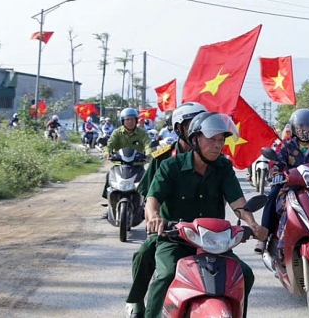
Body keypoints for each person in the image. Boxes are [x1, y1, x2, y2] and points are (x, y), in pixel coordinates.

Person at [142, 112, 268, 318]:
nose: (218, 145)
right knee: (166, 275)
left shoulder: (224, 167)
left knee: (244, 274)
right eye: (211, 139)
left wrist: (253, 224)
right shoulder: (170, 166)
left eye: (221, 140)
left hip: (213, 241)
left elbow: (238, 202)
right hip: (175, 239)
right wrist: (154, 217)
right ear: (195, 140)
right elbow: (152, 198)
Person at [125, 102, 207, 318]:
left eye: (203, 124)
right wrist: (155, 219)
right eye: (192, 125)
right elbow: (149, 197)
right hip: (170, 231)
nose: (199, 129)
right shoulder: (163, 158)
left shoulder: (215, 160)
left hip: (207, 234)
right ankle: (137, 303)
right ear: (179, 128)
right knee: (144, 255)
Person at [256, 109, 309, 258]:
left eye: (308, 127)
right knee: (275, 198)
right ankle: (265, 238)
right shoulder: (287, 146)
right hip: (292, 187)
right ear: (295, 128)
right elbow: (277, 163)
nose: (305, 131)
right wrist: (276, 174)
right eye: (301, 127)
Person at [102, 108, 152, 199]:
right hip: (119, 165)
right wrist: (107, 153)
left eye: (132, 119)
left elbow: (147, 144)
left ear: (136, 120)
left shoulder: (142, 133)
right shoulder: (117, 133)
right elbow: (109, 144)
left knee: (147, 179)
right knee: (109, 175)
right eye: (127, 119)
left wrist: (148, 154)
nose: (130, 122)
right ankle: (109, 201)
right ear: (123, 121)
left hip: (137, 165)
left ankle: (147, 202)